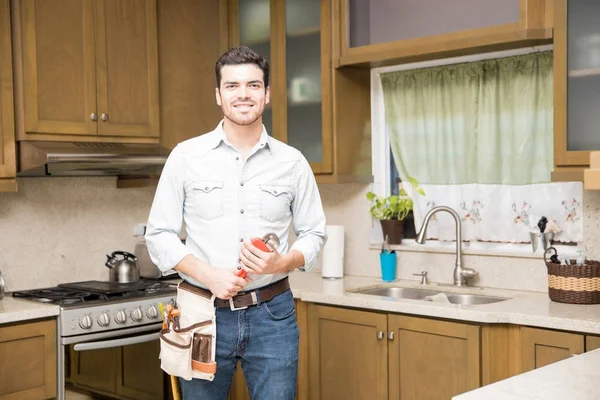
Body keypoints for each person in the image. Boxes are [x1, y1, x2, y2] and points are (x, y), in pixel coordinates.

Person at [145, 45, 327, 399]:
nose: (243, 94)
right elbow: (159, 235)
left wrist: (283, 261)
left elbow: (314, 233)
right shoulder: (186, 156)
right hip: (202, 315)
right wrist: (209, 274)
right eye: (232, 86)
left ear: (267, 94)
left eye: (253, 85)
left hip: (273, 316)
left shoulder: (292, 162)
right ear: (218, 95)